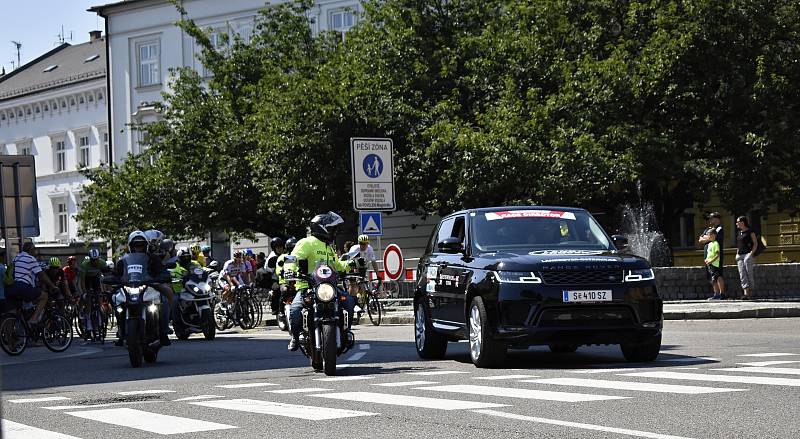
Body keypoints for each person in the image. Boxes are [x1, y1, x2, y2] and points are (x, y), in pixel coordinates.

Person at [287, 212, 356, 351]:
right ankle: (295, 336)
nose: (335, 232)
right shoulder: (306, 243)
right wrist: (290, 269)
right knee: (295, 310)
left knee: (348, 300)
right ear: (324, 228)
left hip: (329, 287)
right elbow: (292, 258)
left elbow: (337, 266)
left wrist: (352, 264)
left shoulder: (328, 247)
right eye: (333, 229)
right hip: (308, 287)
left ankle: (346, 332)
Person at [113, 230, 172, 346]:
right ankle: (121, 331)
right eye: (136, 245)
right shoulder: (123, 260)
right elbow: (116, 273)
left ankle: (164, 331)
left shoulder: (153, 258)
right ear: (130, 246)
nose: (138, 248)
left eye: (141, 245)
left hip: (150, 285)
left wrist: (163, 276)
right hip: (129, 287)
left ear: (146, 246)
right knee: (115, 300)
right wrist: (112, 278)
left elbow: (161, 271)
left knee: (165, 299)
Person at [7, 241, 58, 324]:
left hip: (11, 288)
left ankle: (9, 335)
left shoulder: (16, 258)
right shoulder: (30, 259)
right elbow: (41, 275)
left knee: (14, 314)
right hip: (23, 287)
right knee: (44, 296)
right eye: (35, 249)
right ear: (31, 250)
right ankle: (34, 319)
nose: (36, 252)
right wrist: (52, 286)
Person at [346, 235, 381, 310]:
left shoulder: (370, 249)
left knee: (363, 285)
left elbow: (374, 263)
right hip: (352, 266)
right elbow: (352, 263)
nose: (363, 245)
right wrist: (357, 276)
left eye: (365, 243)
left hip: (362, 267)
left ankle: (361, 302)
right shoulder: (355, 249)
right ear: (359, 243)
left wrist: (378, 275)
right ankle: (351, 301)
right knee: (353, 286)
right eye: (361, 243)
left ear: (367, 243)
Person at [699, 212, 726, 299]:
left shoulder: (719, 229)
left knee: (718, 274)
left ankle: (722, 294)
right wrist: (707, 238)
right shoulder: (708, 229)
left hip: (716, 256)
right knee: (711, 275)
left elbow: (713, 238)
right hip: (708, 255)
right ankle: (716, 294)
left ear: (717, 219)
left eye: (712, 218)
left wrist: (706, 238)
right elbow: (700, 239)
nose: (710, 220)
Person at [735, 216, 759, 300]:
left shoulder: (750, 231)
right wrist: (737, 253)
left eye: (738, 222)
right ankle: (745, 294)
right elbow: (739, 244)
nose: (736, 223)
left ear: (743, 222)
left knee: (749, 273)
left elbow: (755, 243)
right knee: (742, 274)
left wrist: (751, 254)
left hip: (747, 255)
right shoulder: (739, 233)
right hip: (740, 255)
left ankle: (750, 293)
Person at [704, 229, 724, 300]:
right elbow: (709, 254)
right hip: (710, 264)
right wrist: (706, 259)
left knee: (717, 278)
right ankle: (716, 293)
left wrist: (711, 261)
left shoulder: (716, 243)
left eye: (709, 235)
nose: (708, 237)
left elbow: (717, 255)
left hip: (715, 264)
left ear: (713, 235)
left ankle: (721, 294)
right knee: (713, 279)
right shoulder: (709, 244)